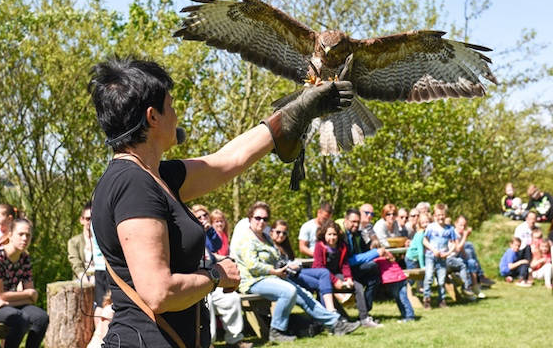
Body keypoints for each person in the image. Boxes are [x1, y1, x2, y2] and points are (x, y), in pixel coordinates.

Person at [88, 57, 355, 347]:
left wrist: (297, 110)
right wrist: (216, 275)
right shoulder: (134, 184)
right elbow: (158, 292)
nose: (177, 115)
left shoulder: (155, 176)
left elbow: (228, 160)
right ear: (153, 117)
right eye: (172, 106)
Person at [232, 201, 360, 342]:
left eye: (265, 219)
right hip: (253, 280)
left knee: (305, 296)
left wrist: (288, 265)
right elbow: (253, 266)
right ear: (250, 217)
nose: (261, 221)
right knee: (289, 291)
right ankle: (277, 330)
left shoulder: (266, 237)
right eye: (258, 218)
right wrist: (275, 271)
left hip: (275, 277)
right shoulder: (245, 238)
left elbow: (276, 257)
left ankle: (335, 324)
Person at [0, 218, 49, 348]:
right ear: (10, 235)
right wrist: (26, 294)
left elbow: (32, 297)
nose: (24, 238)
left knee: (41, 318)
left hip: (8, 304)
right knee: (20, 319)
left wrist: (13, 299)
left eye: (28, 235)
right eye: (21, 234)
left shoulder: (24, 258)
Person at [194, 207, 251, 348]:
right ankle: (208, 343)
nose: (203, 219)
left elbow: (216, 246)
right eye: (199, 217)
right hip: (199, 279)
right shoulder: (192, 235)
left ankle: (235, 340)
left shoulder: (207, 232)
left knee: (232, 299)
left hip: (214, 278)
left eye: (205, 215)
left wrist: (210, 231)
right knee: (208, 303)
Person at [313, 220, 382, 328]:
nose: (332, 237)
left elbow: (345, 264)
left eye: (334, 234)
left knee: (357, 286)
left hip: (337, 273)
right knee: (326, 291)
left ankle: (364, 318)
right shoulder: (319, 246)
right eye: (329, 234)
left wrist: (348, 277)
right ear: (324, 234)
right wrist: (335, 281)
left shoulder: (342, 246)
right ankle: (337, 318)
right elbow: (319, 267)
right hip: (322, 276)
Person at [270, 219, 337, 313]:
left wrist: (295, 264)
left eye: (284, 233)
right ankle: (329, 315)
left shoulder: (284, 247)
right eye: (278, 232)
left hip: (295, 272)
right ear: (271, 232)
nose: (281, 235)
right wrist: (287, 266)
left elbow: (291, 260)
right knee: (320, 284)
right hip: (284, 276)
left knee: (324, 272)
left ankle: (330, 310)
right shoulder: (268, 246)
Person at [342, 208, 388, 325]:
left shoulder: (357, 234)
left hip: (355, 269)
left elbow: (365, 251)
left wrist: (377, 250)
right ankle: (364, 317)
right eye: (353, 222)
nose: (356, 225)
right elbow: (349, 260)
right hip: (343, 271)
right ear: (346, 220)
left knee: (374, 278)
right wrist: (375, 253)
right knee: (372, 267)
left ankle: (365, 313)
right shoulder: (342, 236)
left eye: (357, 222)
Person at [422, 203, 458, 309]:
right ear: (434, 216)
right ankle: (427, 299)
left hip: (442, 257)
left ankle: (441, 300)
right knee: (428, 277)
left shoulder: (450, 229)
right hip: (430, 256)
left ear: (445, 215)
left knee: (441, 280)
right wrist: (433, 250)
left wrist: (447, 253)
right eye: (438, 215)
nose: (440, 217)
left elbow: (454, 243)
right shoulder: (431, 227)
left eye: (442, 215)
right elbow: (425, 241)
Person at [67, 201, 95, 283]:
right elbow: (76, 263)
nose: (90, 222)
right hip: (81, 279)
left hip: (100, 278)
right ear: (82, 220)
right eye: (88, 219)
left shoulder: (102, 240)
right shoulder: (73, 242)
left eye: (93, 218)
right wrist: (85, 281)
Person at [513, 211, 536, 286]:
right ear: (526, 219)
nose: (532, 221)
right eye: (530, 219)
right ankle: (526, 275)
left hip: (533, 250)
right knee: (527, 248)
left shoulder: (537, 229)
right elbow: (517, 242)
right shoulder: (520, 228)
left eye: (534, 219)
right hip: (521, 251)